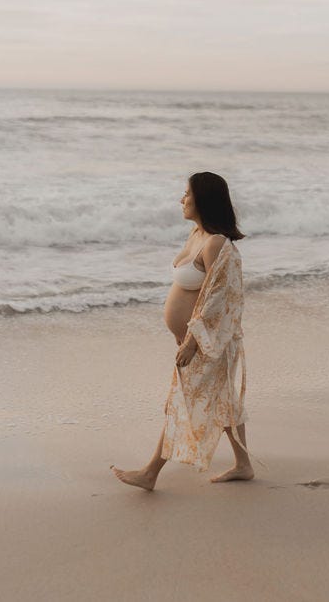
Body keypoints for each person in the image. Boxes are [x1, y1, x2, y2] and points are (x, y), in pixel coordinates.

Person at [111, 172, 252, 490]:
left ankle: (150, 473)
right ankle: (244, 465)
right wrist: (183, 335)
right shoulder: (196, 234)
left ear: (203, 199)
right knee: (223, 398)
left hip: (206, 340)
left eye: (187, 193)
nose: (181, 199)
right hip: (191, 339)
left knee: (181, 398)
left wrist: (192, 340)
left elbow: (218, 299)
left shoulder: (217, 244)